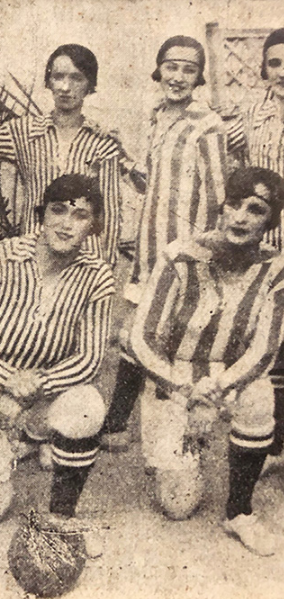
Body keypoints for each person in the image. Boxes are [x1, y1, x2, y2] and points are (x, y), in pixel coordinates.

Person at [0, 174, 114, 528]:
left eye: (80, 216)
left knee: (87, 406)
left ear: (94, 226)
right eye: (58, 210)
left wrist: (24, 395)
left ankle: (59, 507)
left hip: (34, 399)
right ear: (41, 215)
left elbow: (89, 359)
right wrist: (8, 380)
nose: (65, 224)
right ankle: (7, 449)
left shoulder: (98, 276)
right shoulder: (0, 256)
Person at [129, 166, 284, 556]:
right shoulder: (180, 256)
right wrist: (185, 391)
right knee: (177, 504)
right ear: (221, 207)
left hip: (226, 380)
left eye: (256, 210)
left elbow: (265, 349)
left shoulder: (276, 270)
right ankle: (180, 453)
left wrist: (215, 394)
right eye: (234, 204)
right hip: (176, 377)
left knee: (260, 394)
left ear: (271, 221)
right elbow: (142, 339)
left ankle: (239, 512)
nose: (240, 217)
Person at [100, 36, 228, 450]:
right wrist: (123, 157)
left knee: (175, 336)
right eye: (171, 66)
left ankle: (179, 427)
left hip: (185, 254)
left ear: (199, 77)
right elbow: (150, 183)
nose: (178, 77)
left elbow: (218, 195)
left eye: (188, 69)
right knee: (136, 332)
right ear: (159, 69)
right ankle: (118, 421)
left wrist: (201, 255)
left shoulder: (207, 124)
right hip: (148, 251)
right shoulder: (156, 115)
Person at [0, 44, 123, 266]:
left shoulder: (101, 142)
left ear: (89, 86)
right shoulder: (23, 132)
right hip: (33, 253)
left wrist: (104, 269)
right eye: (58, 77)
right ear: (49, 81)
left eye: (76, 78)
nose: (65, 87)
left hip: (83, 259)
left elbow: (109, 215)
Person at [235, 28, 284, 458]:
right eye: (275, 63)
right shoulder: (250, 113)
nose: (283, 72)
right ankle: (274, 446)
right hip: (269, 244)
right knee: (273, 342)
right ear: (264, 68)